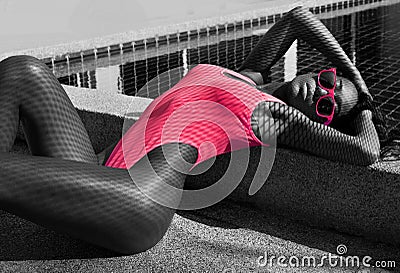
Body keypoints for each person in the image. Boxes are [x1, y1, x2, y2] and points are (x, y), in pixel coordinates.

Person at [0, 6, 396, 254]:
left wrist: (361, 106)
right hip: (96, 170)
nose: (320, 93)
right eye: (329, 80)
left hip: (137, 200)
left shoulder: (274, 117)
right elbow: (297, 17)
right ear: (318, 69)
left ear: (320, 121)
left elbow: (366, 151)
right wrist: (354, 76)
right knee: (22, 69)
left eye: (327, 107)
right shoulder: (246, 77)